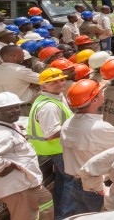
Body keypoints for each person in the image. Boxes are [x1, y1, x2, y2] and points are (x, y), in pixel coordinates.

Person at [61, 79, 114, 214]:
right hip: (96, 188)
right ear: (93, 100)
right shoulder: (99, 128)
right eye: (100, 92)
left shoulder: (68, 123)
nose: (103, 93)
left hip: (77, 185)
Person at [0, 92, 54, 220]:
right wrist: (7, 165)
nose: (15, 111)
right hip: (18, 188)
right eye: (9, 109)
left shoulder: (8, 126)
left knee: (46, 200)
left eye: (16, 107)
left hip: (28, 184)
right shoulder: (2, 134)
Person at [28, 68, 75, 218]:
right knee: (71, 181)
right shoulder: (49, 106)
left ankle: (60, 212)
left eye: (61, 80)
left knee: (62, 180)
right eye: (53, 82)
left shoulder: (53, 98)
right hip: (55, 150)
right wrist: (75, 127)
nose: (60, 83)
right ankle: (64, 215)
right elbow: (51, 134)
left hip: (52, 150)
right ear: (43, 86)